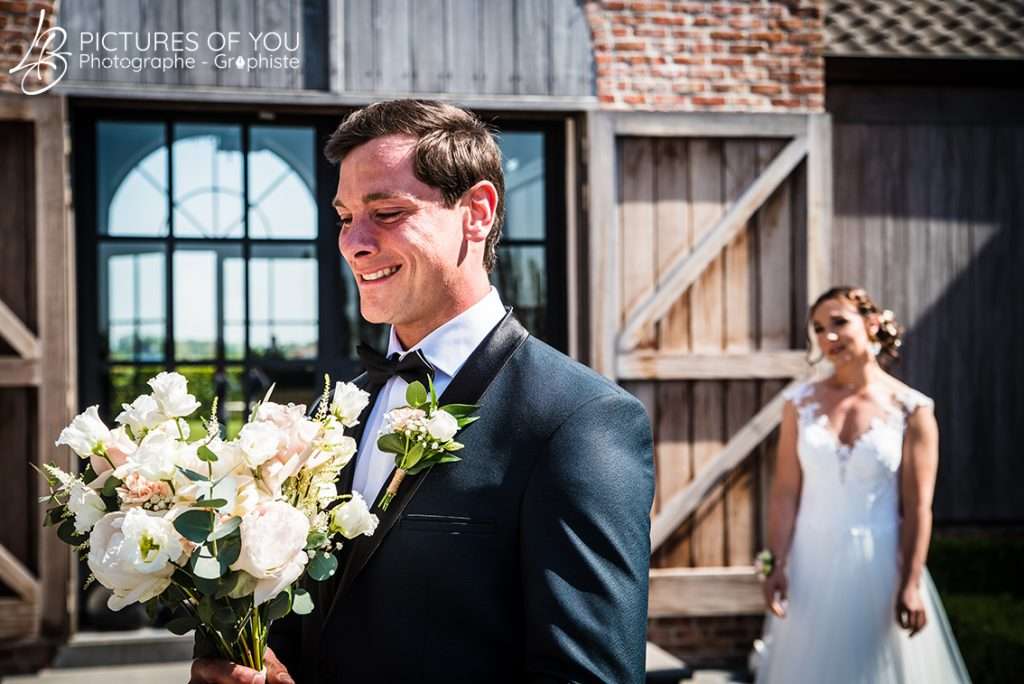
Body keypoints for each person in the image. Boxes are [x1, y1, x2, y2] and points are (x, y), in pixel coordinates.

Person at [190, 99, 654, 684]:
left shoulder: (580, 420)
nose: (352, 243)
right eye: (343, 216)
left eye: (386, 211)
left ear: (477, 213)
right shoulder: (330, 412)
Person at [755, 287, 970, 683]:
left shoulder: (913, 409)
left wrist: (910, 583)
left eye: (839, 322)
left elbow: (918, 506)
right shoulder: (798, 403)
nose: (827, 337)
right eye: (818, 328)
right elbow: (785, 492)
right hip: (809, 565)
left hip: (879, 565)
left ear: (871, 324)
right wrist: (775, 563)